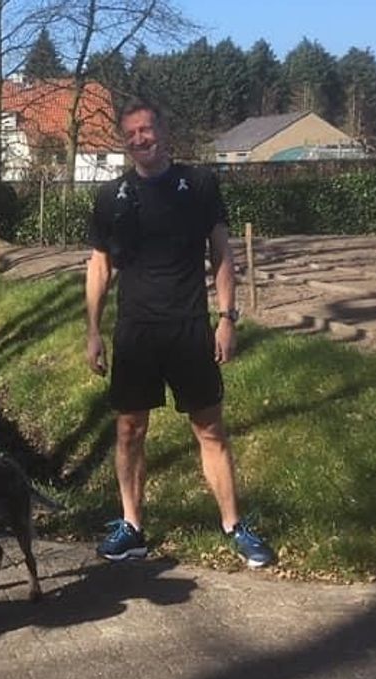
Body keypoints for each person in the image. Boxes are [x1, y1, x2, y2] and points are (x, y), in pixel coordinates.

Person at [84, 99, 275, 568]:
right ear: (123, 140)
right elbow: (99, 266)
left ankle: (234, 526)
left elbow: (222, 256)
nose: (139, 140)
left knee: (210, 430)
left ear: (163, 132)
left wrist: (227, 318)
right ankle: (132, 528)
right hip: (135, 332)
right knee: (129, 431)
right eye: (130, 133)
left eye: (146, 130)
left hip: (190, 328)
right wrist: (93, 330)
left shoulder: (200, 185)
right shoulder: (111, 197)